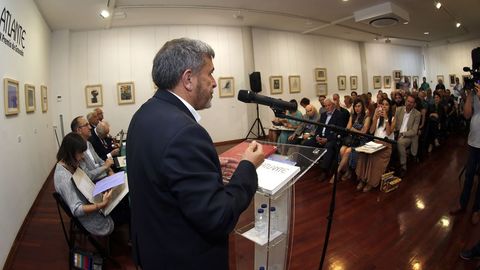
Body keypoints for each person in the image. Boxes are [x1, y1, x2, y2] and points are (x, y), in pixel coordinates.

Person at [126, 38, 264, 269]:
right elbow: (219, 218)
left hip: (153, 249)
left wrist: (206, 166)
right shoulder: (186, 133)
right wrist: (247, 167)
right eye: (210, 73)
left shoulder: (144, 113)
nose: (214, 83)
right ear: (188, 79)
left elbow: (161, 171)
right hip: (184, 258)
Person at [54, 132, 114, 236]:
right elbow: (76, 209)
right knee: (123, 212)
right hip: (89, 216)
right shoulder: (63, 177)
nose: (83, 157)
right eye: (81, 153)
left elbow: (86, 185)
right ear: (70, 153)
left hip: (92, 203)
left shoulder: (71, 164)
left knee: (120, 203)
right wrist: (101, 205)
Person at [450, 83, 480, 224]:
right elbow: (467, 115)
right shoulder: (473, 94)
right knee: (469, 175)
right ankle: (462, 204)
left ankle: (477, 209)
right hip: (474, 141)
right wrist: (469, 96)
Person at [356, 98, 395, 192]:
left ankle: (371, 182)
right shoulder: (377, 116)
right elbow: (372, 131)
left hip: (386, 145)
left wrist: (386, 119)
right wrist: (375, 118)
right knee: (363, 154)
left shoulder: (393, 118)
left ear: (389, 107)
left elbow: (389, 133)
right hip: (375, 143)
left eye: (386, 105)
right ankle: (362, 179)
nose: (384, 106)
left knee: (374, 157)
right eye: (382, 104)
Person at [71, 116, 114, 182]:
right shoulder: (77, 150)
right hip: (95, 183)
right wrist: (105, 167)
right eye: (86, 125)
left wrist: (109, 171)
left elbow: (100, 161)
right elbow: (88, 175)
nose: (90, 127)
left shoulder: (88, 143)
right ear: (79, 130)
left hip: (103, 176)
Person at [394, 94, 421, 176]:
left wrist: (403, 134)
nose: (409, 103)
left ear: (414, 104)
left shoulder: (417, 114)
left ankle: (403, 166)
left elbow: (414, 131)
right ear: (405, 101)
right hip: (396, 133)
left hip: (408, 136)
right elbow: (394, 124)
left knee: (400, 143)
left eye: (411, 102)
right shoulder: (398, 110)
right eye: (408, 101)